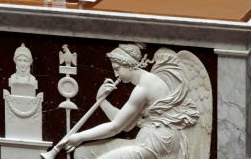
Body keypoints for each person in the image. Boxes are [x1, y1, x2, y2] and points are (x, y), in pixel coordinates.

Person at [58, 43, 200, 159]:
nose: (115, 74)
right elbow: (127, 125)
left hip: (156, 144)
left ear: (128, 64)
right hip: (148, 140)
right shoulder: (146, 82)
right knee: (82, 153)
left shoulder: (143, 87)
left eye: (117, 68)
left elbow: (116, 127)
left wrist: (79, 137)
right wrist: (102, 101)